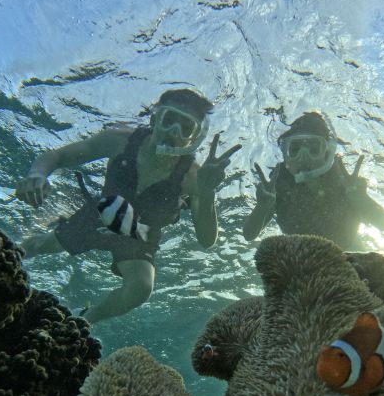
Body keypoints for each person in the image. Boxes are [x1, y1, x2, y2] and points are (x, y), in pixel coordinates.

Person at [15, 89, 241, 323]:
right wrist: (38, 174)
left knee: (140, 288)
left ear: (194, 138)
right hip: (102, 213)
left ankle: (83, 321)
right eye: (168, 120)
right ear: (154, 119)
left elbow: (207, 239)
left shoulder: (193, 177)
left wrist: (207, 191)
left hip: (139, 234)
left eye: (186, 127)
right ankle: (1, 262)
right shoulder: (119, 140)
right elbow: (59, 156)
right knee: (40, 244)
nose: (173, 132)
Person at [243, 112, 384, 249]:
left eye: (314, 148)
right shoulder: (279, 185)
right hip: (304, 263)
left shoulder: (343, 182)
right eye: (295, 149)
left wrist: (361, 199)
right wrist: (261, 208)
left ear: (327, 153)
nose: (303, 157)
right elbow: (249, 235)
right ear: (286, 154)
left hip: (349, 256)